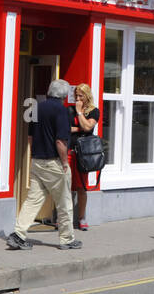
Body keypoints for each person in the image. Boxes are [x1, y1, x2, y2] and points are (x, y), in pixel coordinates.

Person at [8, 79, 80, 250]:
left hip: (37, 161)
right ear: (63, 95)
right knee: (64, 202)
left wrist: (35, 155)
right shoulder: (61, 111)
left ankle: (18, 234)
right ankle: (67, 239)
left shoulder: (36, 108)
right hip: (54, 163)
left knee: (33, 200)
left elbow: (30, 137)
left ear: (49, 91)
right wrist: (64, 163)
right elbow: (61, 141)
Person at [68, 83, 99, 231]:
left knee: (82, 187)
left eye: (81, 96)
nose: (78, 99)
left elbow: (88, 127)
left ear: (87, 96)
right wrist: (80, 126)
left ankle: (82, 218)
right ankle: (64, 219)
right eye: (76, 96)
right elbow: (66, 128)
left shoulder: (94, 111)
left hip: (84, 154)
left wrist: (80, 113)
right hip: (70, 152)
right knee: (66, 186)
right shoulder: (69, 110)